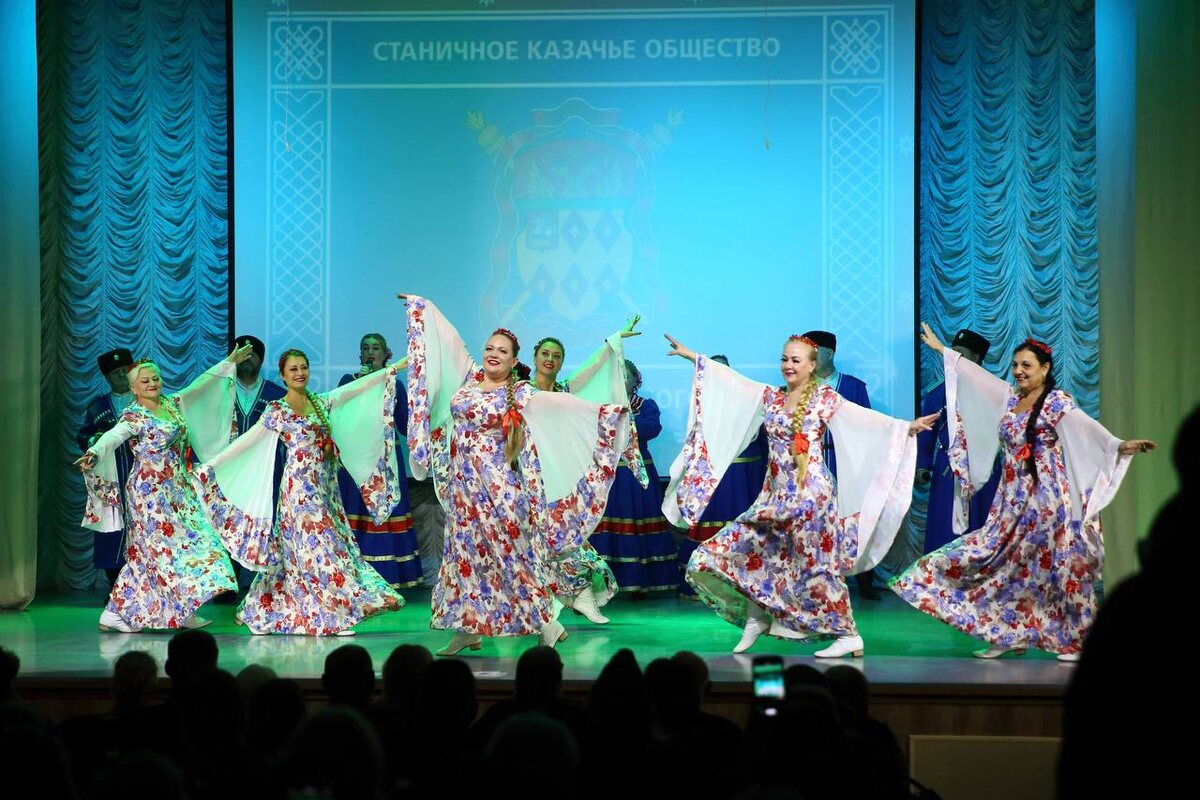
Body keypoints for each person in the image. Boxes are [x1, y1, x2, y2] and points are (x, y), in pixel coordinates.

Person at [890, 325, 1156, 660]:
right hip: (1011, 502)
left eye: (1026, 365)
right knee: (999, 562)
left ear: (1045, 368)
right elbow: (977, 379)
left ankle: (1076, 640)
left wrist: (1117, 446)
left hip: (1049, 501)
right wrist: (942, 350)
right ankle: (1005, 634)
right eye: (1016, 365)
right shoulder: (1011, 398)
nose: (1019, 371)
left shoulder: (1056, 402)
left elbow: (1085, 429)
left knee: (1062, 567)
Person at [663, 333, 936, 657]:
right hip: (775, 496)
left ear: (811, 365)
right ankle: (757, 614)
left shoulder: (824, 398)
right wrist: (693, 357)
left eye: (796, 360)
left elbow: (864, 420)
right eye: (784, 359)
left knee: (818, 567)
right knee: (737, 548)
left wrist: (906, 427)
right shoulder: (772, 397)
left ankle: (848, 634)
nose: (788, 365)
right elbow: (733, 383)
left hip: (811, 497)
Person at [400, 294, 635, 656]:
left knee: (510, 560)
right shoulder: (468, 383)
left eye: (502, 351)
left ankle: (549, 624)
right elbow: (447, 341)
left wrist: (607, 414)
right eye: (489, 348)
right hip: (465, 496)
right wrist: (423, 306)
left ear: (513, 361)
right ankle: (467, 630)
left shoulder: (521, 393)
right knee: (466, 561)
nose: (493, 353)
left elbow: (562, 405)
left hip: (501, 494)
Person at [194, 348, 406, 635]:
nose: (300, 373)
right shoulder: (277, 410)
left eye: (303, 367)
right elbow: (248, 441)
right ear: (282, 376)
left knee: (293, 554)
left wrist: (393, 369)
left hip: (325, 488)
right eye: (293, 369)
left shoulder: (319, 402)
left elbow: (355, 390)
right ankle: (333, 615)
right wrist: (211, 467)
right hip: (300, 490)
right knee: (321, 547)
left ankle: (260, 613)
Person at [76, 348, 252, 632]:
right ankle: (113, 612)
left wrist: (228, 362)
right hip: (149, 494)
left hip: (178, 490)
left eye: (155, 378)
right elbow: (114, 436)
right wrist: (95, 452)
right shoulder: (134, 415)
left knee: (193, 545)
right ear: (133, 387)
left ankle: (182, 609)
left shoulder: (171, 404)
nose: (152, 383)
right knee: (154, 553)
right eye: (145, 381)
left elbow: (200, 385)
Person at [528, 321, 644, 624]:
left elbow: (591, 371)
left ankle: (581, 595)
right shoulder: (520, 392)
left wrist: (613, 341)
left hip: (560, 476)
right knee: (531, 543)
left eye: (556, 356)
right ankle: (549, 605)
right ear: (535, 357)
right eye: (545, 354)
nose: (550, 359)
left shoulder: (565, 391)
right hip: (527, 476)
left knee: (568, 537)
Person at [675, 354, 768, 597]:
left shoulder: (751, 401)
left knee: (745, 528)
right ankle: (705, 583)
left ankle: (750, 586)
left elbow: (764, 441)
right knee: (711, 527)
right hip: (715, 480)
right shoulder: (703, 406)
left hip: (746, 478)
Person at [336, 333, 422, 589]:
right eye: (365, 348)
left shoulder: (395, 384)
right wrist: (360, 387)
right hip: (355, 459)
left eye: (376, 348)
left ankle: (390, 576)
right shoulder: (348, 382)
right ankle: (353, 575)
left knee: (385, 509)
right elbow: (338, 418)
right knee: (356, 509)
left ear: (386, 354)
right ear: (360, 354)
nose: (370, 352)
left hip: (385, 461)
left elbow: (405, 425)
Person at [803, 329, 882, 599]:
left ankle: (864, 580)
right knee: (813, 522)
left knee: (853, 520)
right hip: (813, 463)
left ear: (828, 353)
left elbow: (868, 427)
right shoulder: (801, 386)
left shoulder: (853, 387)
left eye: (813, 351)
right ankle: (813, 580)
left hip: (845, 462)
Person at [590, 359, 678, 595]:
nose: (621, 381)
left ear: (635, 381)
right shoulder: (601, 407)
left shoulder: (645, 406)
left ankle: (642, 583)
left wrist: (623, 420)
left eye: (625, 376)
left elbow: (652, 428)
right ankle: (606, 583)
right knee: (608, 524)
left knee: (641, 523)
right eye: (616, 376)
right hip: (610, 475)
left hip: (639, 476)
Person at [917, 328, 1002, 552]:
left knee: (984, 530)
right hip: (948, 472)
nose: (954, 359)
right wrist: (923, 466)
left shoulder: (995, 391)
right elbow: (926, 433)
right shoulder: (938, 392)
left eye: (961, 355)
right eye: (953, 353)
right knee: (946, 533)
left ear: (977, 359)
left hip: (986, 472)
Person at [78, 347, 136, 584]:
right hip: (110, 479)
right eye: (116, 372)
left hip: (142, 477)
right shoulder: (98, 406)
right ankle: (115, 589)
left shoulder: (146, 402)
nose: (122, 375)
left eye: (126, 370)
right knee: (111, 532)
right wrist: (95, 440)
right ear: (107, 377)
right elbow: (84, 436)